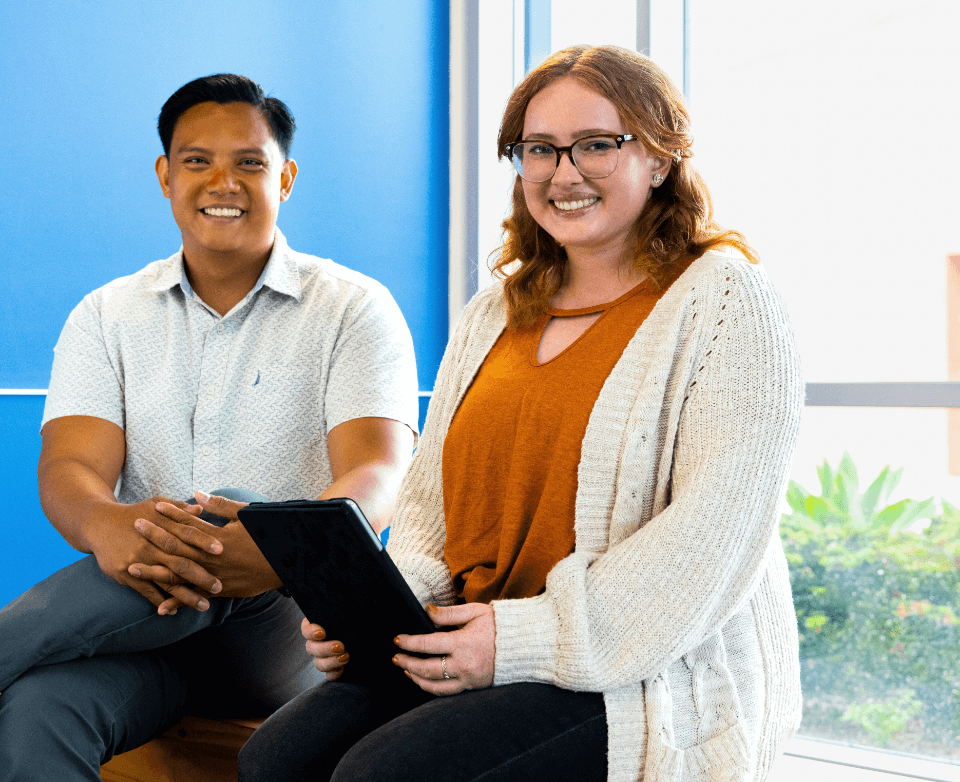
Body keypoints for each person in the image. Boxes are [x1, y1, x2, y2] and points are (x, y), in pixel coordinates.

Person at [238, 44, 803, 782]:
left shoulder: (727, 301)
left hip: (634, 673)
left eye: (597, 144)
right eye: (539, 149)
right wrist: (376, 614)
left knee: (382, 776)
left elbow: (709, 542)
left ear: (660, 158)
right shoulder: (492, 313)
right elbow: (429, 512)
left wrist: (516, 639)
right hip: (470, 638)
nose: (564, 173)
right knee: (274, 760)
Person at [0, 74, 419, 781]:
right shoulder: (107, 313)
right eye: (197, 161)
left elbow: (379, 473)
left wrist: (283, 551)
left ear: (283, 178)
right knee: (42, 708)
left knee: (212, 508)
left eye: (249, 163)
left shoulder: (354, 308)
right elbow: (70, 466)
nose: (221, 180)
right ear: (166, 176)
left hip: (291, 627)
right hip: (150, 620)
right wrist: (110, 527)